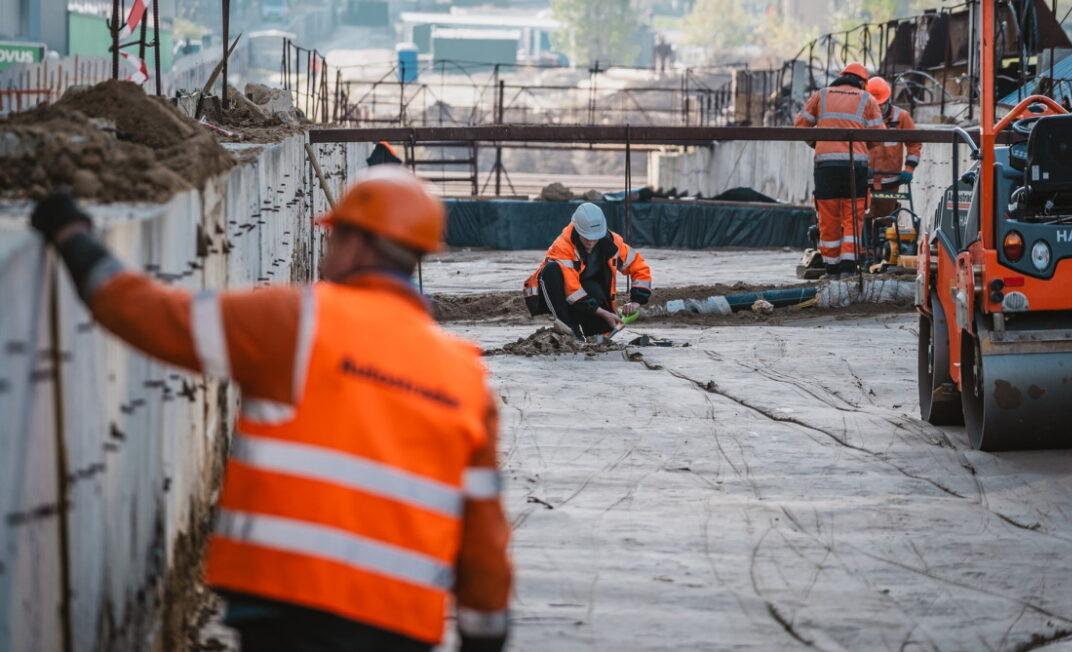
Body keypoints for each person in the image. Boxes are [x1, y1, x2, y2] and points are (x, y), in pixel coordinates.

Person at [29, 167, 511, 652]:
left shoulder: (296, 322)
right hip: (400, 624)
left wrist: (72, 235)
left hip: (286, 610)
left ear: (356, 243)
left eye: (332, 237)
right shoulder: (466, 376)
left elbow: (150, 316)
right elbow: (485, 536)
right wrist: (484, 635)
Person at [794, 62, 884, 277]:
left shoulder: (821, 95)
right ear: (863, 82)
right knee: (853, 218)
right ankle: (848, 270)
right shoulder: (867, 99)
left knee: (828, 218)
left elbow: (800, 126)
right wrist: (862, 146)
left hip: (826, 167)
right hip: (856, 167)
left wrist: (818, 143)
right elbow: (880, 135)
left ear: (842, 76)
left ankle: (831, 270)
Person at [523, 202, 652, 340]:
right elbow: (572, 290)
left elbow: (639, 267)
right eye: (587, 237)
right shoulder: (562, 246)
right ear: (578, 230)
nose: (591, 242)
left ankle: (591, 332)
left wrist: (636, 301)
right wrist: (602, 312)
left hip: (586, 292)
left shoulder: (612, 243)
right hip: (557, 295)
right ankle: (567, 329)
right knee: (551, 270)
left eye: (595, 238)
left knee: (604, 326)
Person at [865, 76, 921, 221]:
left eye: (881, 105)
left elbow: (914, 143)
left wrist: (909, 168)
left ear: (888, 100)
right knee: (862, 221)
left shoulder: (901, 117)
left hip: (891, 181)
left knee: (886, 222)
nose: (878, 108)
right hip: (864, 180)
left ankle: (884, 241)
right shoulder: (861, 117)